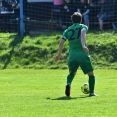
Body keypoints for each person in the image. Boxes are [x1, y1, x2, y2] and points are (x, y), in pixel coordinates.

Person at [54, 12, 97, 97]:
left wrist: (59, 54)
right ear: (81, 20)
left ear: (72, 20)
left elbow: (61, 43)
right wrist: (83, 45)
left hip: (72, 56)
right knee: (91, 74)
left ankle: (68, 84)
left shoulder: (67, 30)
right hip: (82, 55)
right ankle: (91, 93)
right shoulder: (83, 26)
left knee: (72, 73)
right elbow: (83, 33)